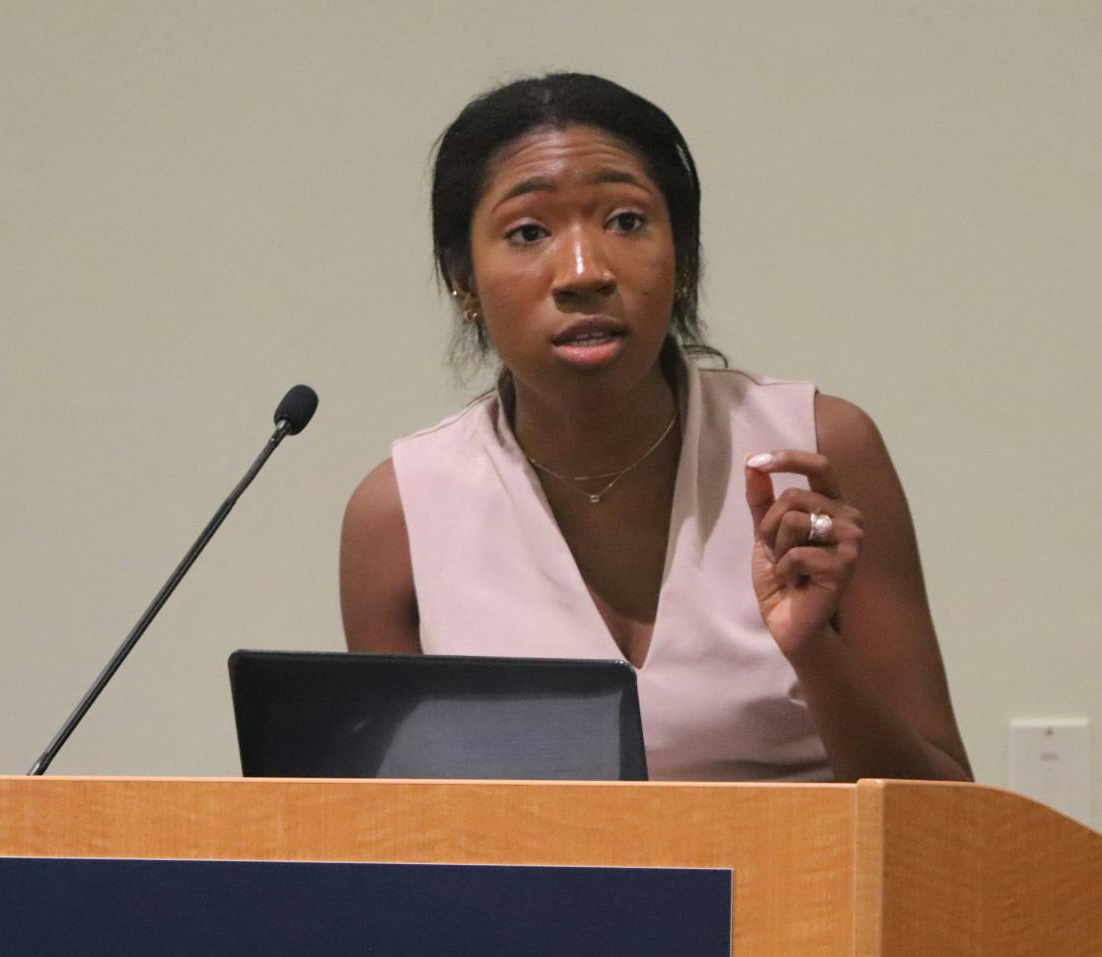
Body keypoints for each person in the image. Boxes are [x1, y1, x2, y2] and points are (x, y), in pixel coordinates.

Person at [341, 73, 970, 783]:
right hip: (537, 895)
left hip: (800, 890)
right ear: (463, 279)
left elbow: (942, 820)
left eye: (627, 221)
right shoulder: (399, 515)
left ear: (685, 259)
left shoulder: (814, 450)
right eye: (528, 232)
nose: (583, 272)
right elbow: (397, 841)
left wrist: (813, 651)